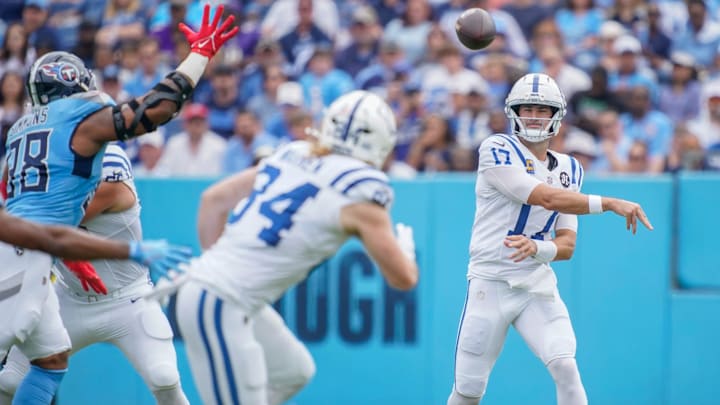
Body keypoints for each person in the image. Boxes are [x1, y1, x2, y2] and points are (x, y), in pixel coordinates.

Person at [0, 5, 237, 404]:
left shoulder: (20, 133)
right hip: (32, 269)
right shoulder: (80, 121)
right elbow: (155, 110)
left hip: (36, 261)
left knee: (50, 361)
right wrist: (199, 57)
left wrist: (69, 256)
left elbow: (33, 208)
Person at [148, 90, 419, 405]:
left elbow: (214, 200)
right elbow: (403, 278)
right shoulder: (361, 191)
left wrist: (217, 264)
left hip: (215, 290)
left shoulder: (297, 153)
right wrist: (406, 252)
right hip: (219, 300)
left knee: (293, 371)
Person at [447, 73, 653, 405]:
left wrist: (537, 248)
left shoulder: (570, 168)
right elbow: (545, 198)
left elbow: (567, 246)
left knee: (566, 367)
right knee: (469, 390)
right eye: (526, 107)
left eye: (541, 109)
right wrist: (611, 203)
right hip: (491, 282)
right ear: (512, 111)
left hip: (536, 285)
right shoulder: (498, 148)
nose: (532, 116)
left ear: (556, 115)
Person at [0, 145, 189, 404]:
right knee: (10, 379)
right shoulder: (50, 162)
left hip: (128, 299)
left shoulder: (110, 171)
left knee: (164, 377)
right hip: (70, 297)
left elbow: (49, 225)